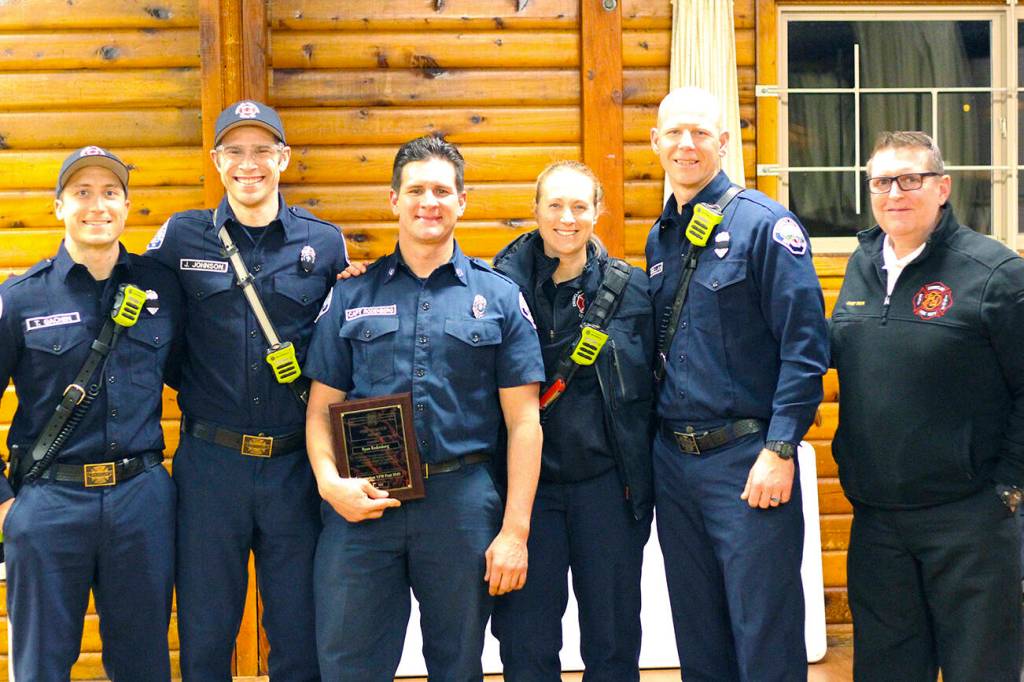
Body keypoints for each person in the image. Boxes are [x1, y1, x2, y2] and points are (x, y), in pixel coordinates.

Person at [303, 134, 545, 680]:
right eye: (415, 190)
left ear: (462, 201)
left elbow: (524, 422)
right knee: (347, 665)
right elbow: (320, 410)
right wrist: (329, 484)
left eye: (441, 190)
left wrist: (515, 532)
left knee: (457, 666)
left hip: (461, 504)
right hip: (364, 502)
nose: (428, 202)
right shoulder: (351, 295)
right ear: (394, 200)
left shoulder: (499, 297)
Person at [145, 101, 347, 681]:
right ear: (216, 160)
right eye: (234, 151)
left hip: (295, 466)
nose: (248, 163)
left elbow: (342, 338)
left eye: (262, 150)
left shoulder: (323, 243)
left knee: (300, 635)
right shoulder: (180, 237)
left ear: (283, 158)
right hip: (211, 466)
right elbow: (157, 333)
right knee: (206, 636)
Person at [646, 86, 829, 682]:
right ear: (656, 143)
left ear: (724, 143)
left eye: (701, 132)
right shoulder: (660, 237)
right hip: (676, 463)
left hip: (747, 460)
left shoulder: (764, 225)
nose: (687, 144)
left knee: (763, 634)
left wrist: (780, 449)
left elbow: (805, 348)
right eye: (675, 132)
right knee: (699, 636)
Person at [830, 131, 1024, 681]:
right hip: (878, 523)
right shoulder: (861, 266)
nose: (895, 193)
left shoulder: (994, 272)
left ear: (942, 188)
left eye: (910, 179)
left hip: (970, 521)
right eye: (881, 182)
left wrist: (1009, 485)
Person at [0, 146, 182, 680]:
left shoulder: (163, 288)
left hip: (141, 499)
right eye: (82, 192)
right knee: (41, 665)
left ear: (126, 206)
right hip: (49, 502)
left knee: (144, 664)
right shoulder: (21, 299)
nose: (97, 205)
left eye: (110, 192)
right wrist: (5, 503)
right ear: (59, 206)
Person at [488, 160, 655, 680]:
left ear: (597, 212)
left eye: (580, 206)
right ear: (535, 210)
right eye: (555, 205)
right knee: (526, 643)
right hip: (525, 495)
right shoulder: (494, 289)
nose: (567, 218)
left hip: (606, 489)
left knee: (613, 641)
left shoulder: (632, 290)